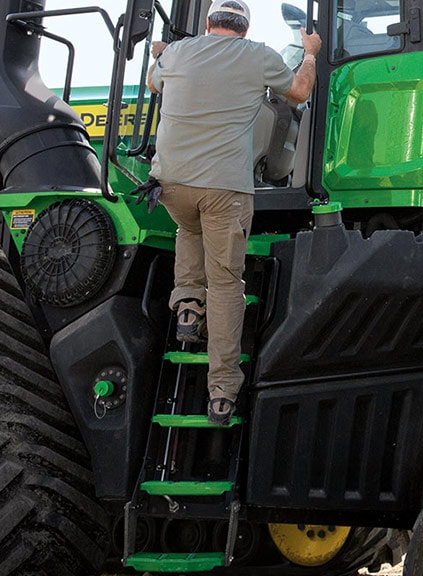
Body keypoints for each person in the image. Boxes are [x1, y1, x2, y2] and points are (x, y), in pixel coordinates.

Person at [147, 0, 321, 425]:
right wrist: (311, 53)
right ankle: (222, 391)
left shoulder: (177, 52)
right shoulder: (258, 54)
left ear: (208, 24)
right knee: (225, 285)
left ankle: (188, 306)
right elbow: (298, 93)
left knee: (189, 229)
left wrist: (159, 53)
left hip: (170, 184)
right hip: (225, 188)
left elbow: (156, 85)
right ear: (245, 29)